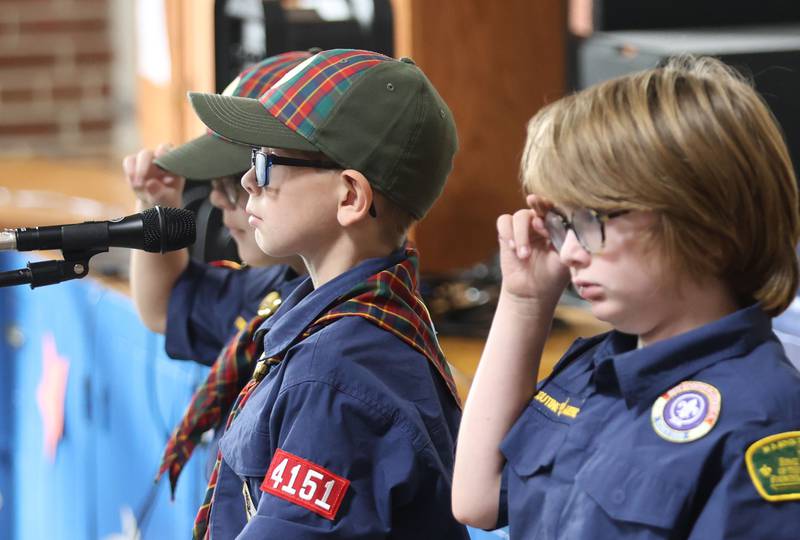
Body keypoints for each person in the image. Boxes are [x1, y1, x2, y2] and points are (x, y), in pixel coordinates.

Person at [452, 56, 800, 539]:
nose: (570, 251)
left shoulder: (760, 423)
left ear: (706, 225)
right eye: (562, 222)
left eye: (592, 219)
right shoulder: (602, 363)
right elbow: (477, 499)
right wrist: (525, 300)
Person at [187, 48, 468, 538]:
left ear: (350, 197)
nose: (249, 180)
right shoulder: (352, 324)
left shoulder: (336, 376)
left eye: (265, 160)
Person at [123, 52, 311, 494]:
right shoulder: (271, 292)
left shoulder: (342, 335)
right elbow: (164, 306)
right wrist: (157, 210)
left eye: (242, 176)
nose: (224, 200)